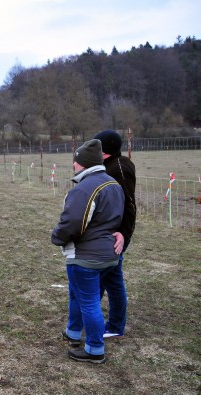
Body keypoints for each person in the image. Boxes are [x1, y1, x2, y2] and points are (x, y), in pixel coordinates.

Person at [51, 139, 124, 364]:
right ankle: (73, 333)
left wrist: (56, 237)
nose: (73, 165)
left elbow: (73, 223)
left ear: (81, 162)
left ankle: (94, 349)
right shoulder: (113, 184)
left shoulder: (84, 189)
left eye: (75, 160)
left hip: (86, 258)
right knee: (77, 294)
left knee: (90, 301)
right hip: (109, 255)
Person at [93, 129, 137, 339]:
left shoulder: (119, 169)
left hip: (115, 237)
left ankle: (109, 325)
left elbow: (128, 206)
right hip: (109, 234)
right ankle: (112, 324)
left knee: (104, 279)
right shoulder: (110, 166)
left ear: (105, 150)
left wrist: (122, 234)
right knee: (112, 279)